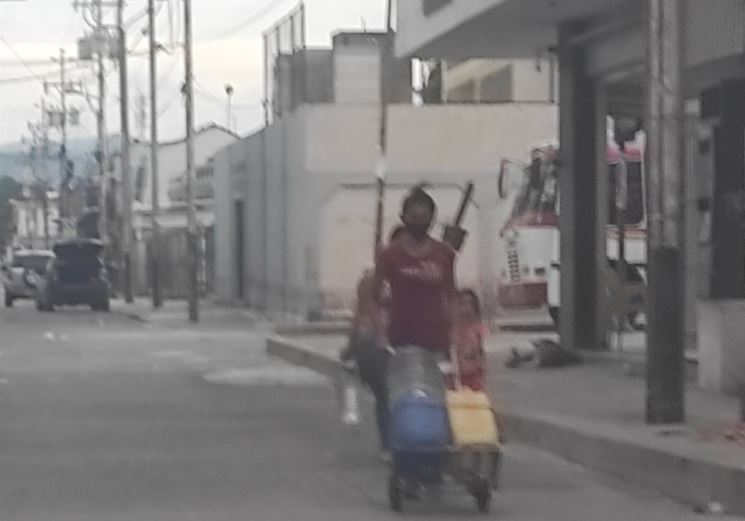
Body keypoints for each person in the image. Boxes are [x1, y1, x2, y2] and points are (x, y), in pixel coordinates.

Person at [340, 226, 406, 459]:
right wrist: (351, 344)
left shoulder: (414, 275)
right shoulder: (373, 277)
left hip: (406, 337)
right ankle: (388, 442)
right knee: (385, 393)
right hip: (376, 342)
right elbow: (361, 311)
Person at [369, 187, 458, 356]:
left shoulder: (444, 254)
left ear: (432, 220)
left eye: (424, 218)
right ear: (403, 218)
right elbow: (373, 297)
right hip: (399, 339)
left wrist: (453, 331)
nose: (419, 223)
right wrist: (380, 332)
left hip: (436, 340)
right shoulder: (389, 254)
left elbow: (452, 295)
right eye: (414, 218)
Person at [451, 289, 487, 391]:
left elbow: (480, 349)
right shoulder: (455, 326)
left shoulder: (478, 326)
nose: (466, 307)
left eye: (470, 303)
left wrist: (480, 365)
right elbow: (452, 348)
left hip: (474, 373)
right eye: (463, 302)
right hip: (457, 373)